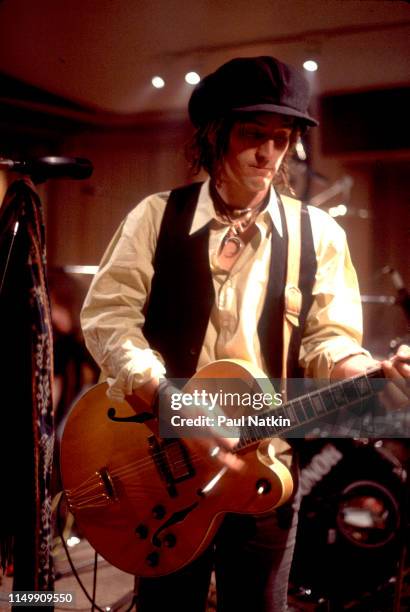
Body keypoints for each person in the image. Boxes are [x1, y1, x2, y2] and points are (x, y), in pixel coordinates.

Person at [80, 56, 410, 612]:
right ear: (215, 136)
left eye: (281, 139)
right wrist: (176, 406)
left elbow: (329, 341)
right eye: (252, 135)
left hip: (267, 463)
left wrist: (372, 373)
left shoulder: (319, 235)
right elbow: (108, 319)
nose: (267, 153)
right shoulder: (155, 218)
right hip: (165, 464)